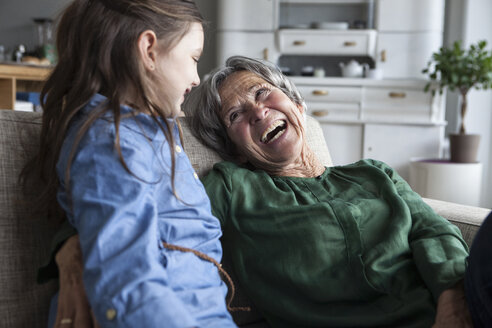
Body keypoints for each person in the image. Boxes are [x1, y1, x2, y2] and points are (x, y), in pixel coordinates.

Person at [50, 56, 491, 327]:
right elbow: (150, 206)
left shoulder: (373, 174)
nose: (259, 112)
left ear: (297, 105)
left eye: (264, 94)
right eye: (237, 115)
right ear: (236, 148)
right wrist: (71, 244)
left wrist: (454, 303)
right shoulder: (233, 188)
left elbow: (434, 233)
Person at [22, 0, 238, 327]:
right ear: (149, 49)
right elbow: (127, 278)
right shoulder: (112, 142)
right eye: (193, 58)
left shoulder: (147, 132)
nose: (196, 77)